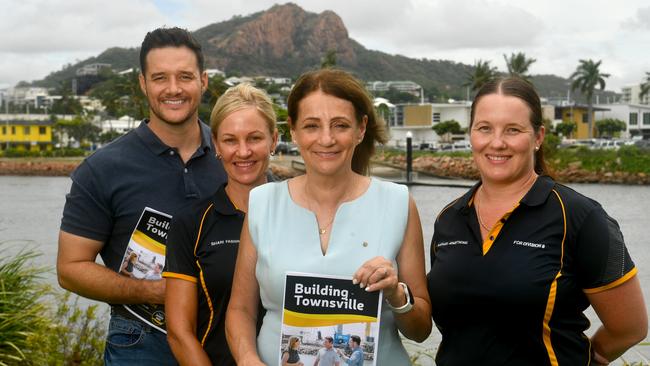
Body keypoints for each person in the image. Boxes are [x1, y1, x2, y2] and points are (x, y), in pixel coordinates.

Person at [427, 77, 647, 365]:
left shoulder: (580, 217)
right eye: (484, 128)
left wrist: (591, 358)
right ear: (471, 135)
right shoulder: (449, 218)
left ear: (538, 137)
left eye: (513, 130)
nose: (497, 142)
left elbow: (630, 327)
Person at [225, 69, 432, 365]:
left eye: (340, 125)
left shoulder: (398, 203)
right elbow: (240, 310)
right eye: (312, 126)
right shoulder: (262, 203)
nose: (326, 139)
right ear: (293, 130)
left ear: (361, 129)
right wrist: (247, 360)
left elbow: (421, 330)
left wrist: (397, 295)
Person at [56, 27, 226, 366]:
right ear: (143, 84)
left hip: (225, 336)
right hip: (143, 341)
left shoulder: (237, 156)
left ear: (203, 81)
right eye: (160, 77)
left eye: (185, 77)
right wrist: (156, 291)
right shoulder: (102, 168)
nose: (173, 89)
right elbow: (70, 269)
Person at [163, 83, 278, 365]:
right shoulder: (191, 222)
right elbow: (180, 332)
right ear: (215, 144)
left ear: (274, 140)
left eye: (254, 138)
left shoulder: (306, 212)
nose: (243, 152)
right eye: (230, 140)